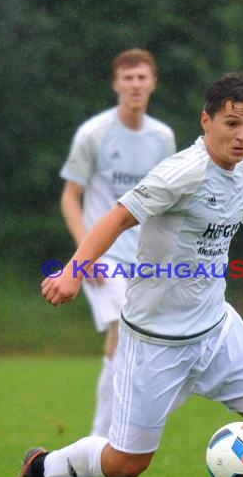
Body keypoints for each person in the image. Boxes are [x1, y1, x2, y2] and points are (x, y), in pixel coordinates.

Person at [8, 72, 243, 477]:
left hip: (216, 330)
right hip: (156, 341)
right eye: (232, 123)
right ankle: (40, 467)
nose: (242, 136)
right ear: (206, 120)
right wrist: (73, 271)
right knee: (125, 463)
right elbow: (116, 217)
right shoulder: (182, 172)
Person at [59, 48, 176, 437]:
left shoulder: (163, 137)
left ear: (153, 82)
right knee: (122, 331)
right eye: (128, 78)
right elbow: (69, 197)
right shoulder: (94, 134)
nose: (135, 85)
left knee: (143, 341)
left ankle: (122, 428)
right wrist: (83, 257)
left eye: (142, 77)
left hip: (145, 259)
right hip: (103, 256)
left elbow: (167, 202)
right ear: (116, 84)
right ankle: (100, 435)